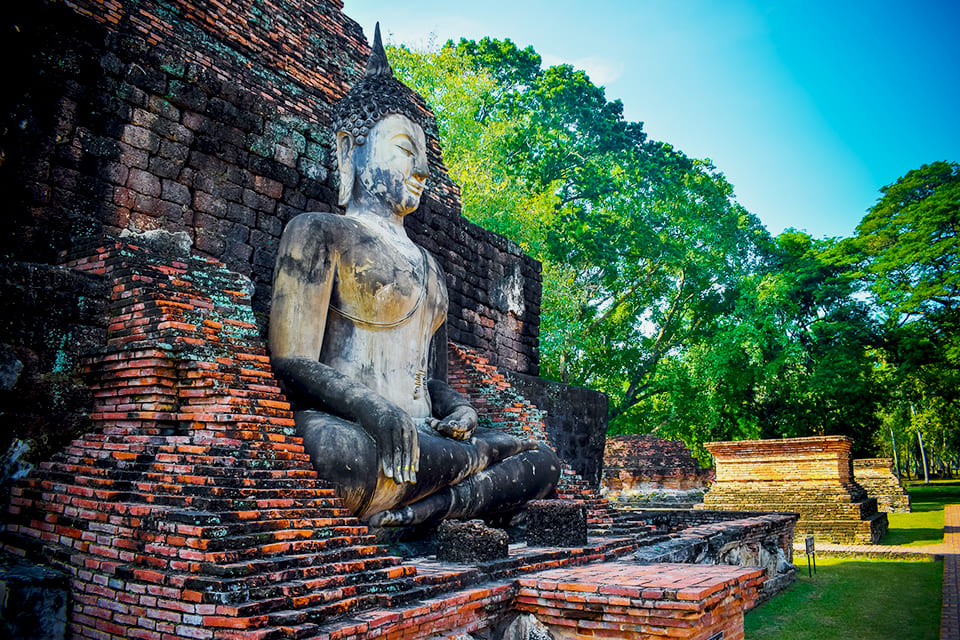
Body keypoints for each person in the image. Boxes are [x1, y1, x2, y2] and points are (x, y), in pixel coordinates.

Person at [268, 26, 560, 527]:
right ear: (350, 152)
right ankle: (463, 487)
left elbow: (433, 383)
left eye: (424, 155)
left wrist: (463, 409)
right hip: (355, 432)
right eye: (405, 148)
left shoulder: (432, 269)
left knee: (544, 462)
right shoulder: (319, 233)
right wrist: (373, 410)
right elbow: (291, 359)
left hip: (425, 440)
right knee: (338, 456)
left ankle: (430, 507)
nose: (420, 168)